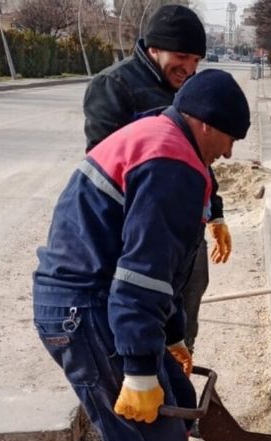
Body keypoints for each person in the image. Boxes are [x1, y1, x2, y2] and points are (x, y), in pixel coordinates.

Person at [33, 69, 250, 441]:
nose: (228, 153)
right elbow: (140, 278)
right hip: (84, 307)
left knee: (179, 400)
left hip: (95, 297)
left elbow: (157, 269)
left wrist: (172, 335)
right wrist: (138, 370)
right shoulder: (172, 165)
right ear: (206, 124)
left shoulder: (162, 136)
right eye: (230, 139)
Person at [83, 3, 230, 354]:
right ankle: (138, 376)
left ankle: (177, 374)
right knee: (140, 317)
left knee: (184, 316)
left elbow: (200, 155)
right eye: (182, 57)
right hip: (141, 235)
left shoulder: (188, 90)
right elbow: (107, 168)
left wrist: (215, 211)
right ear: (154, 48)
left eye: (196, 60)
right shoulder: (114, 86)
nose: (189, 68)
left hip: (185, 229)